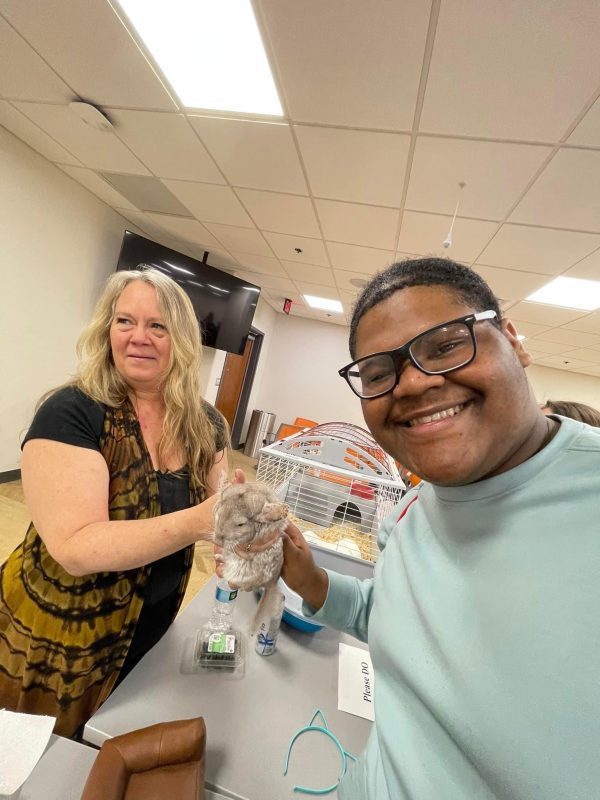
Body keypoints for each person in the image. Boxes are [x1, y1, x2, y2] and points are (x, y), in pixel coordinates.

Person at [282, 257, 600, 800]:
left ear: (513, 341)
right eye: (380, 373)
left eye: (446, 345)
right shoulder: (413, 505)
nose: (411, 383)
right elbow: (389, 615)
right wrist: (311, 580)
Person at [0, 267, 242, 737]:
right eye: (124, 321)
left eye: (157, 326)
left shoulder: (207, 423)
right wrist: (201, 521)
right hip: (55, 641)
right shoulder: (72, 410)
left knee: (104, 742)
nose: (138, 338)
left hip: (148, 628)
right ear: (106, 330)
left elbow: (222, 510)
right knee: (37, 760)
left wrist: (241, 539)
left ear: (183, 340)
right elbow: (76, 548)